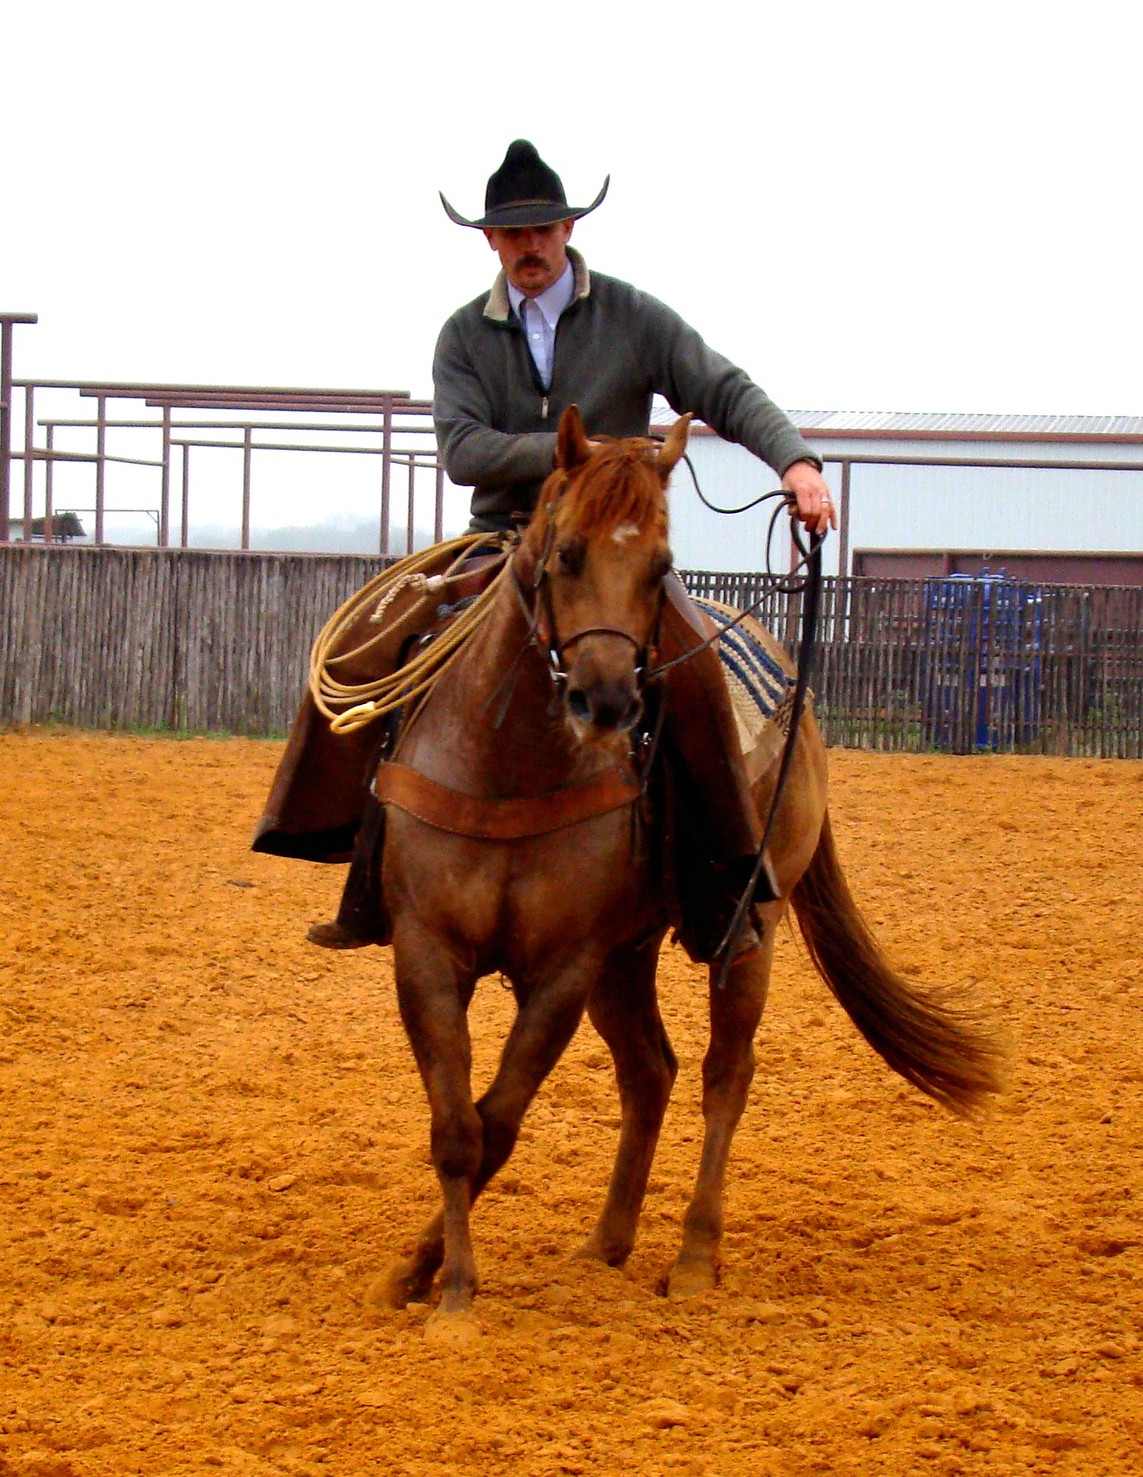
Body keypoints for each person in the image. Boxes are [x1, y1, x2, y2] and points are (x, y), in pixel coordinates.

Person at [265, 140, 835, 960]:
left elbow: (723, 388)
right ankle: (358, 862)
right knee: (365, 645)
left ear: (567, 229)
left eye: (542, 229)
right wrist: (579, 453)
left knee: (699, 675)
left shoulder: (634, 317)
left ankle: (728, 879)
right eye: (512, 233)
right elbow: (463, 449)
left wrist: (795, 462)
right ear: (489, 241)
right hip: (499, 539)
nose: (529, 246)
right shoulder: (463, 334)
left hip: (609, 549)